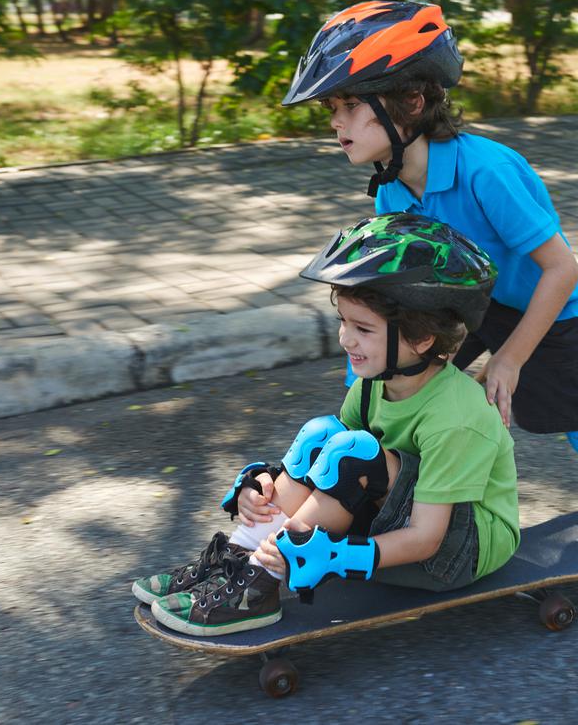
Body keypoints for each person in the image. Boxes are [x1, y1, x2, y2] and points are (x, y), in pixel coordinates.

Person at [281, 0, 578, 481]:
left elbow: (562, 269)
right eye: (332, 108)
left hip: (543, 306)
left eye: (351, 105)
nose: (336, 122)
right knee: (394, 382)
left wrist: (508, 359)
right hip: (470, 303)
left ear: (412, 102)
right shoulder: (393, 188)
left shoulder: (487, 171)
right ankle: (391, 492)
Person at [132, 213, 520, 636]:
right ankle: (240, 558)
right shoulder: (373, 386)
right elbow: (326, 471)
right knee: (323, 435)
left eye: (363, 329)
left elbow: (426, 538)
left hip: (458, 552)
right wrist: (264, 496)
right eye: (344, 322)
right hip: (404, 525)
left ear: (423, 339)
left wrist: (338, 557)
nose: (345, 339)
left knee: (354, 454)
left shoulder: (456, 419)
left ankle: (261, 581)